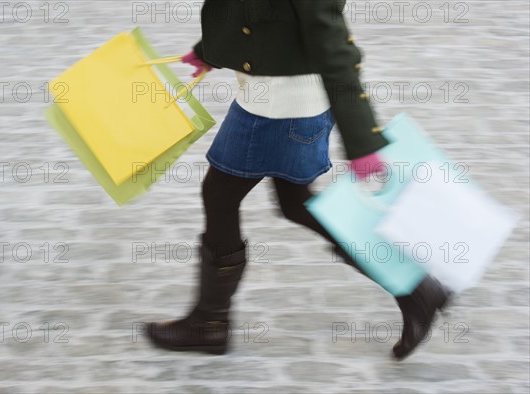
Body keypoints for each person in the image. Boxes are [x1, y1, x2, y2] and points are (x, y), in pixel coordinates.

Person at [146, 0, 450, 360]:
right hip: (275, 103)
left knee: (220, 195)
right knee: (296, 204)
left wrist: (362, 140)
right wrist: (211, 50)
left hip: (278, 112)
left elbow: (334, 46)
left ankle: (210, 323)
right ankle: (415, 287)